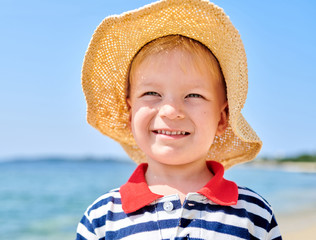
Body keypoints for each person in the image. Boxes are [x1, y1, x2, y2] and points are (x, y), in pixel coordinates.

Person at [77, 0, 282, 239]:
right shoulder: (102, 218)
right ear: (130, 112)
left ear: (222, 118)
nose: (171, 110)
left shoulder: (253, 214)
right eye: (152, 94)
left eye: (194, 95)